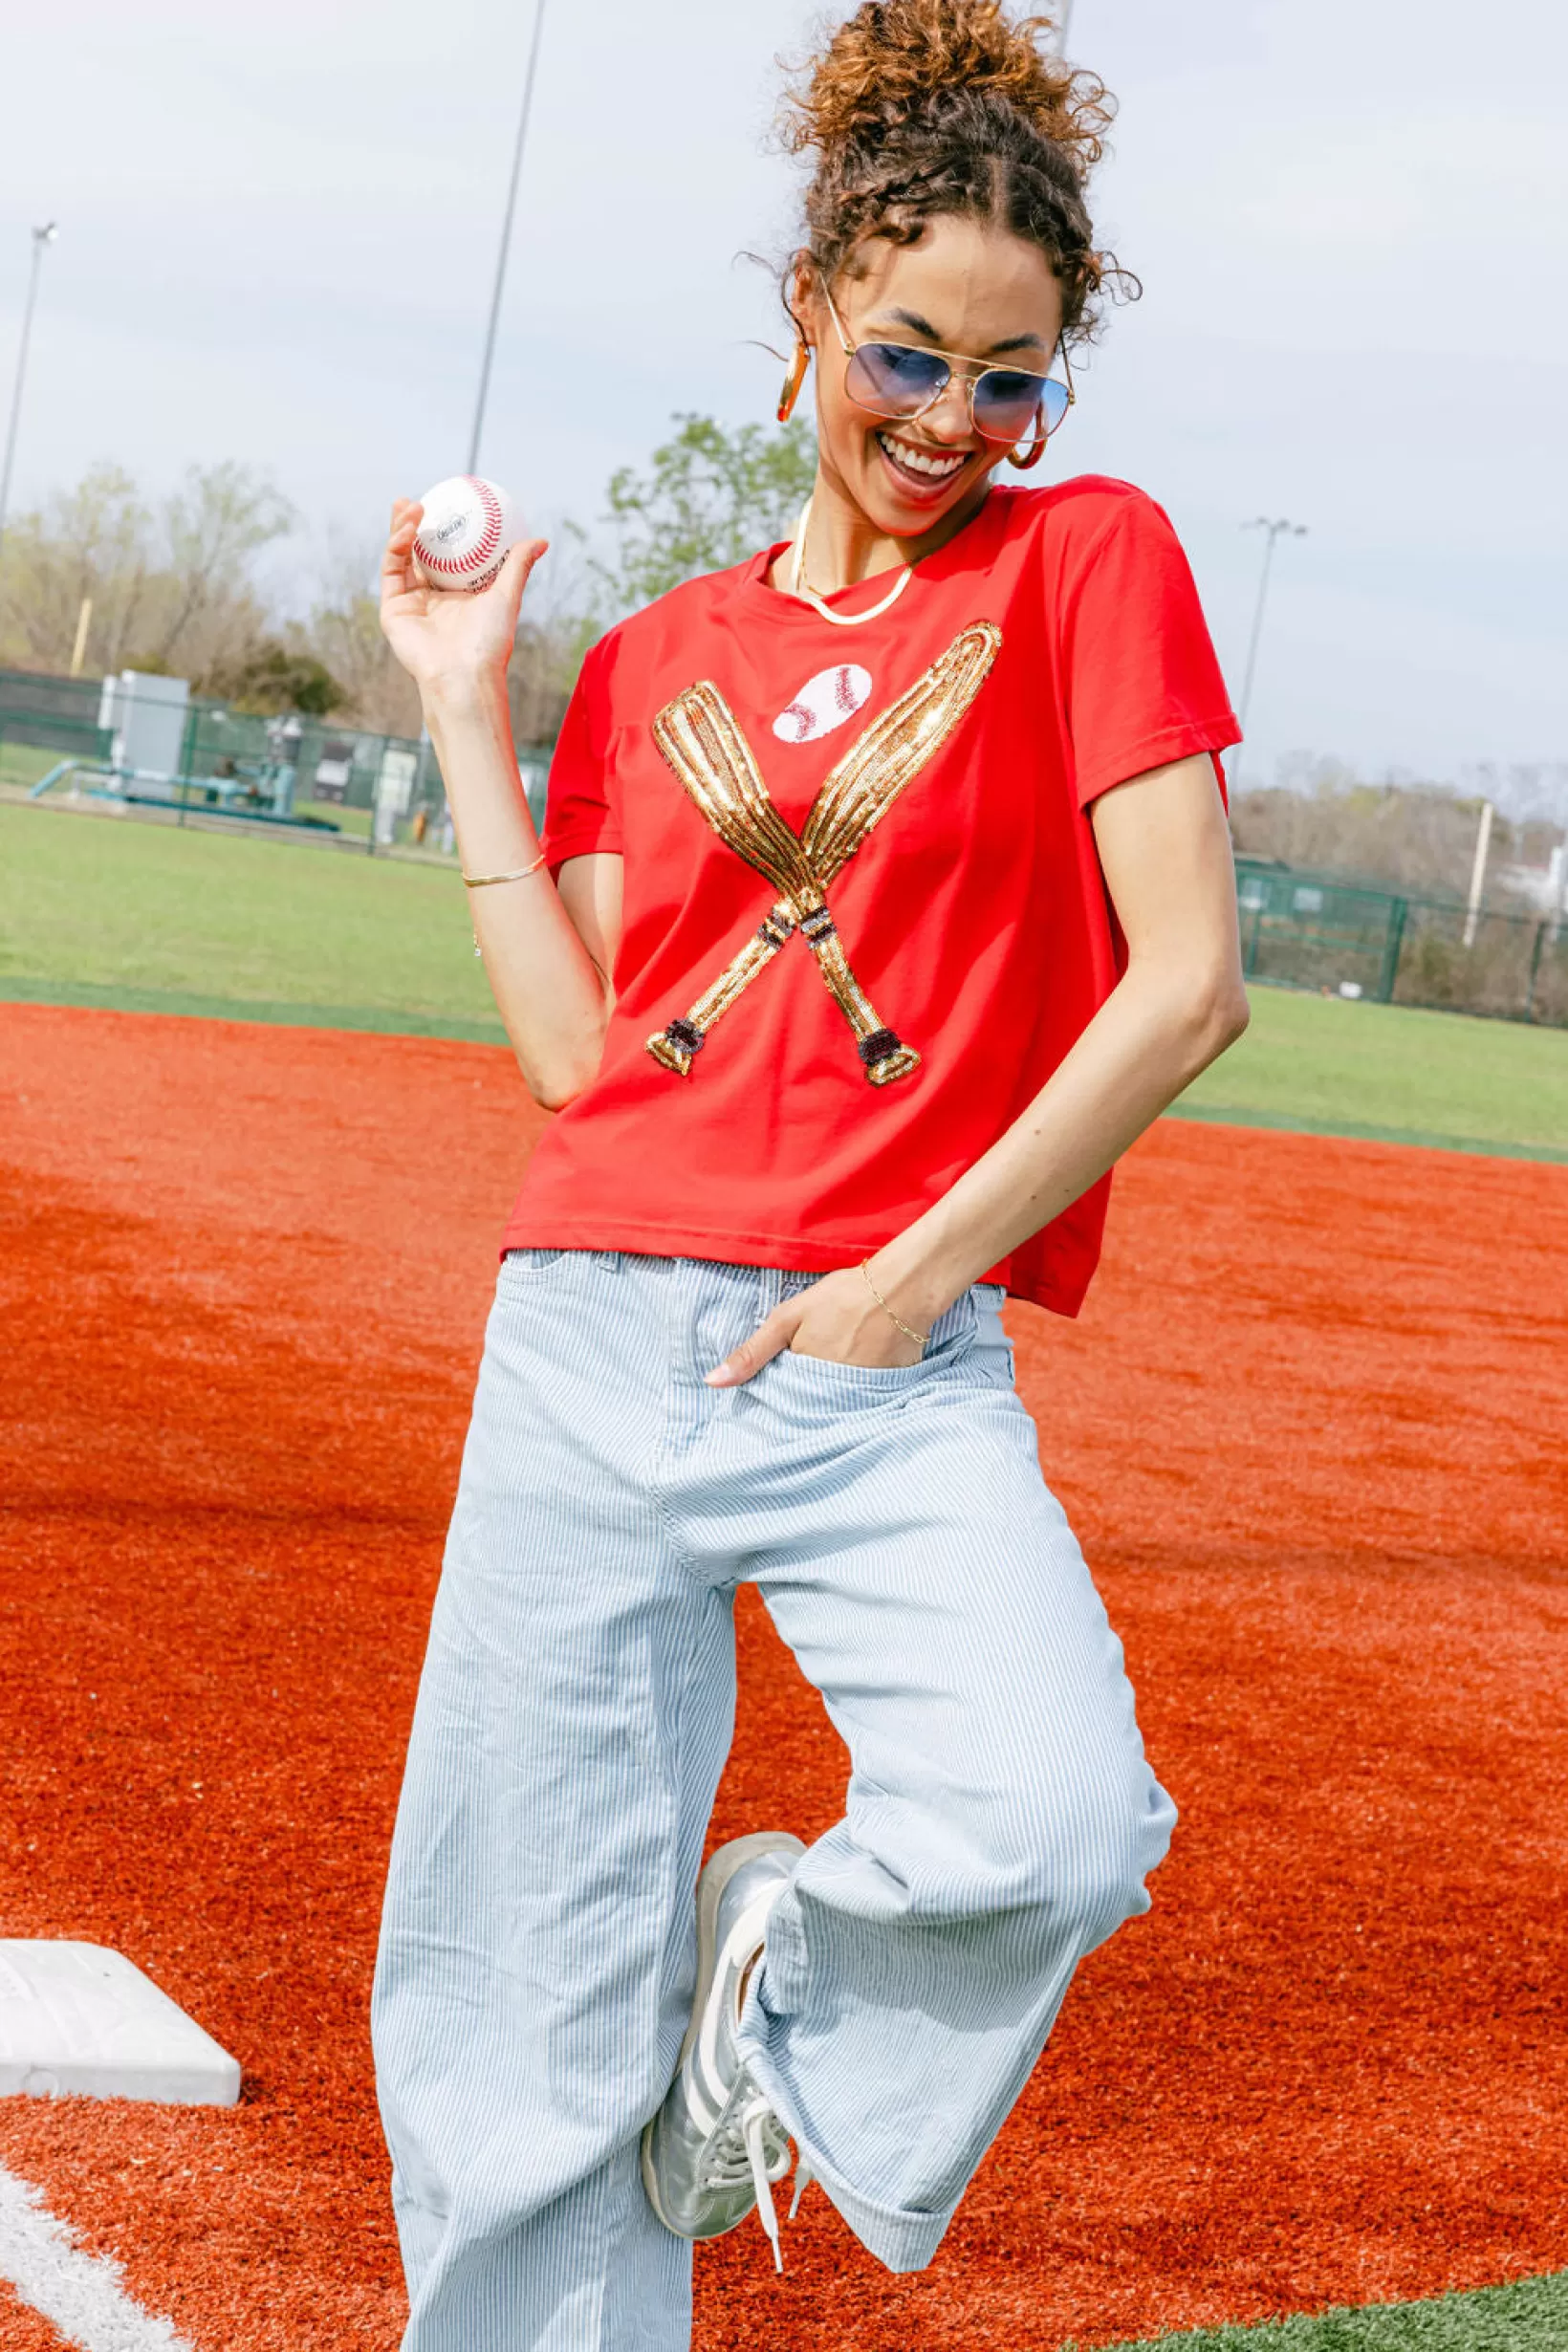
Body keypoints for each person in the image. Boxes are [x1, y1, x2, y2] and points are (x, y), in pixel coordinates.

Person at [370, 3, 1246, 2344]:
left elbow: (1187, 986)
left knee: (1051, 1822)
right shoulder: (657, 648)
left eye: (1011, 375)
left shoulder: (1089, 569)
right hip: (580, 1331)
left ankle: (766, 1995)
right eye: (907, 357)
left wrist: (901, 1278)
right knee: (516, 1991)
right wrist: (466, 701)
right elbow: (578, 1053)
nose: (954, 421)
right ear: (810, 319)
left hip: (872, 1354)